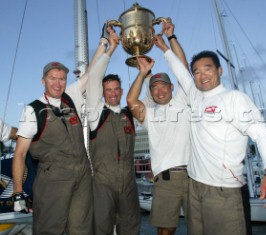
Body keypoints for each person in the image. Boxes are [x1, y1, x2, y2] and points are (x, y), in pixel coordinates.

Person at [155, 36, 266, 234]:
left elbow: (262, 133)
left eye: (208, 69)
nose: (202, 75)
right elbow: (180, 72)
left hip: (225, 191)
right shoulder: (195, 96)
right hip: (194, 187)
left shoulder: (234, 99)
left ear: (219, 71)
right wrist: (164, 47)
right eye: (197, 71)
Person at [11, 26, 110, 234]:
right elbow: (19, 153)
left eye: (62, 78)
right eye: (52, 78)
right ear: (43, 81)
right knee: (49, 229)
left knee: (82, 229)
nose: (58, 83)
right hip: (53, 179)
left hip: (82, 176)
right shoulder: (33, 110)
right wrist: (18, 193)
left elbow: (91, 73)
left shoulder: (70, 97)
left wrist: (103, 42)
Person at [126, 19, 190, 235]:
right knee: (165, 231)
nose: (160, 91)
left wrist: (167, 41)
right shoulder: (150, 115)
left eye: (164, 86)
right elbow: (132, 102)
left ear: (172, 87)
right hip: (165, 180)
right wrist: (143, 73)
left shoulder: (183, 101)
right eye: (155, 88)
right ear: (151, 92)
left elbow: (183, 68)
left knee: (203, 228)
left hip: (196, 176)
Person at [86, 23, 141, 235]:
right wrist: (111, 48)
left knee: (131, 230)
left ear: (121, 90)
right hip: (102, 186)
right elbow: (93, 78)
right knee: (102, 230)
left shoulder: (129, 113)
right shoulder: (96, 112)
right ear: (102, 93)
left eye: (116, 89)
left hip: (129, 185)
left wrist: (143, 72)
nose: (113, 93)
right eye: (108, 90)